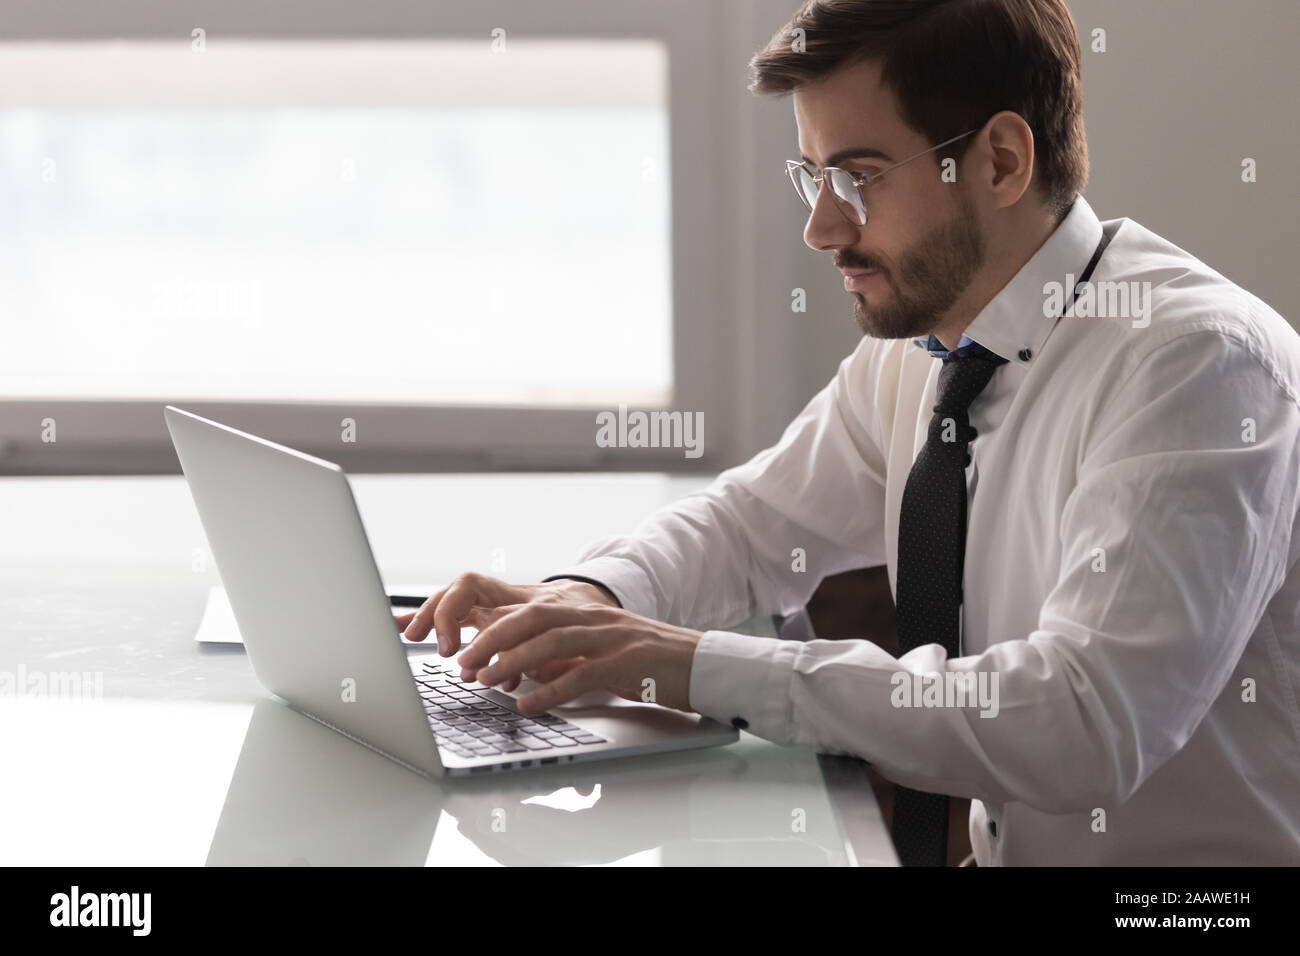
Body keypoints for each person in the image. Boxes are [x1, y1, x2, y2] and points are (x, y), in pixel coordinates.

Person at [399, 0, 1300, 866]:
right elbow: (754, 525)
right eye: (813, 175)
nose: (821, 227)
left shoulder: (1199, 367)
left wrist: (691, 664)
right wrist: (590, 600)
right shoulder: (933, 343)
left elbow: (1085, 724)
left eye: (858, 177)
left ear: (999, 162)